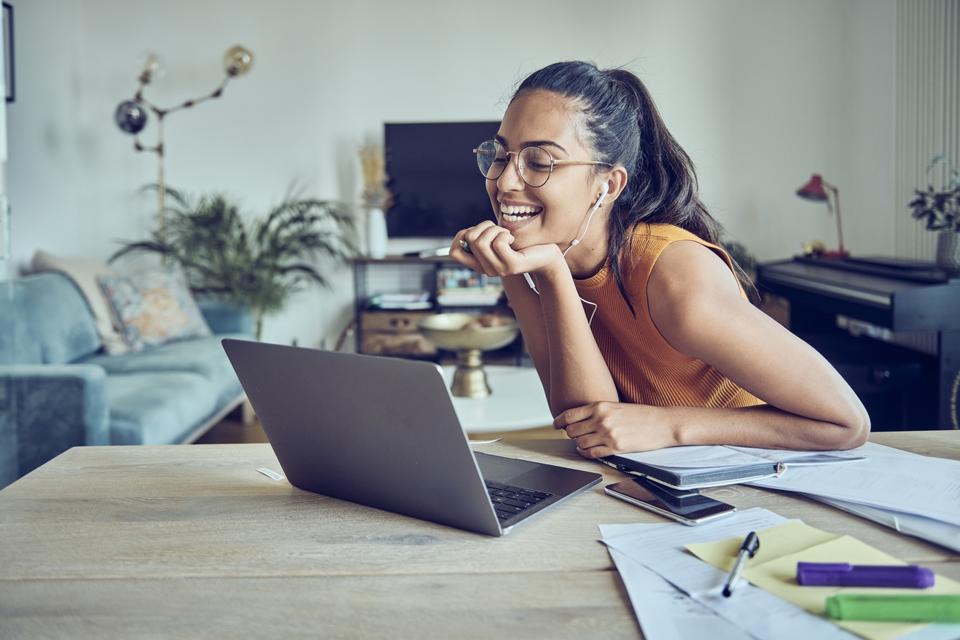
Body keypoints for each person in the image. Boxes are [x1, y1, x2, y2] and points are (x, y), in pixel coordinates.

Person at [449, 61, 869, 457]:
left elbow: (846, 424)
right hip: (655, 487)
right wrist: (546, 274)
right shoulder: (539, 260)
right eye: (500, 156)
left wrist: (669, 426)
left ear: (608, 185)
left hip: (754, 479)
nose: (503, 180)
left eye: (539, 161)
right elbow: (585, 424)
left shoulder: (674, 272)